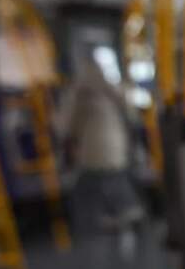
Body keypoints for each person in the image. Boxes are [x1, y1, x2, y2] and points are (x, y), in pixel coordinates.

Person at [57, 54, 145, 232]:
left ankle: (103, 217)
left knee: (89, 182)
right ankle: (128, 210)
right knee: (115, 176)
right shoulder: (112, 91)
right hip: (118, 146)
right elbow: (132, 116)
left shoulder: (79, 95)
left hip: (92, 150)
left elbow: (66, 126)